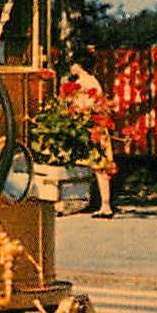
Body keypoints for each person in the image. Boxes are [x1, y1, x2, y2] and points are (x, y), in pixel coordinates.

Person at [67, 62, 118, 218]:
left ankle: (102, 204)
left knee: (99, 167)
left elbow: (85, 106)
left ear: (78, 65)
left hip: (91, 127)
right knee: (99, 168)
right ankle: (104, 204)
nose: (71, 67)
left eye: (72, 64)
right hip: (97, 126)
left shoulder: (83, 83)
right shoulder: (93, 81)